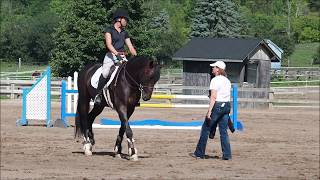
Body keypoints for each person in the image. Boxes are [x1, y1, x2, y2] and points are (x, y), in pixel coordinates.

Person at [94, 8, 137, 105]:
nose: (126, 22)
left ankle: (132, 96)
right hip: (110, 56)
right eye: (125, 19)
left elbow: (130, 46)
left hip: (121, 56)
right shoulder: (109, 30)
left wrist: (136, 55)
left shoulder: (124, 33)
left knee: (130, 71)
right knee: (105, 73)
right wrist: (116, 54)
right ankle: (98, 94)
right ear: (119, 19)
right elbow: (109, 45)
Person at [192, 61, 232, 160]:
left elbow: (213, 96)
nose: (212, 68)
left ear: (218, 69)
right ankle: (227, 155)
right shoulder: (227, 80)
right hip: (226, 105)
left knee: (205, 129)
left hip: (218, 105)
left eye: (214, 67)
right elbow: (227, 95)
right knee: (223, 132)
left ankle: (199, 153)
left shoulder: (215, 80)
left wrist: (209, 111)